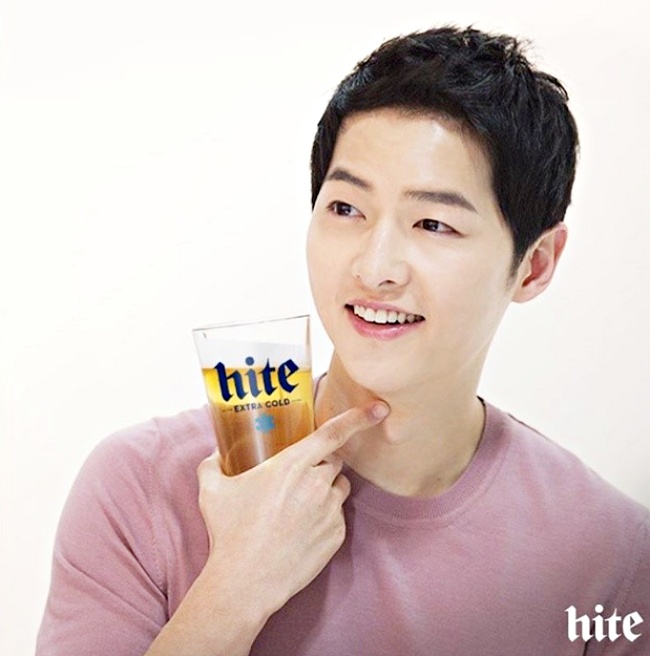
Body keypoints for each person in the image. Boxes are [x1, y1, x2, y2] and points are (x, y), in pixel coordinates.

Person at [36, 25, 650, 655]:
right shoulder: (142, 487)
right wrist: (234, 590)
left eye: (433, 223)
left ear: (535, 265)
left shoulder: (611, 554)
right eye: (346, 209)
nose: (374, 267)